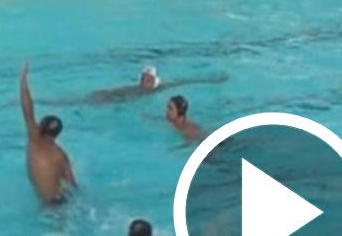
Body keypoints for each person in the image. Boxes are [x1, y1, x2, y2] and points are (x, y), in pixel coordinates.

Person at [18, 62, 78, 204]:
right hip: (61, 201)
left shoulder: (35, 141)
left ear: (40, 128)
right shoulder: (61, 155)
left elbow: (27, 109)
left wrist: (23, 82)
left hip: (49, 205)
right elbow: (73, 185)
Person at [86, 66, 228, 105]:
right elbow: (115, 92)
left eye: (148, 80)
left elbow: (186, 82)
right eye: (142, 79)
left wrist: (211, 80)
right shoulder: (134, 90)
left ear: (155, 82)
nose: (144, 82)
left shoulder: (161, 88)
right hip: (117, 98)